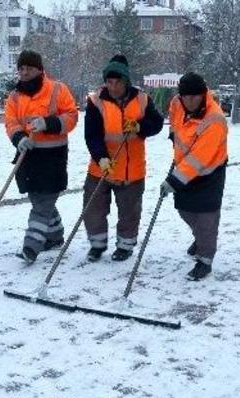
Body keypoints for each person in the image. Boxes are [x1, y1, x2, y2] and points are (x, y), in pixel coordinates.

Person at [83, 54, 164, 262]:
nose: (113, 86)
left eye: (117, 82)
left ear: (126, 81)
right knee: (94, 209)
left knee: (129, 212)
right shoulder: (96, 102)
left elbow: (156, 124)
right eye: (109, 82)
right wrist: (101, 157)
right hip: (101, 167)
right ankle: (97, 245)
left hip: (131, 169)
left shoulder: (142, 99)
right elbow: (91, 134)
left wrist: (139, 127)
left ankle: (125, 246)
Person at [4, 50, 78, 264]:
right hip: (28, 156)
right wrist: (19, 138)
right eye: (21, 68)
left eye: (29, 68)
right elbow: (11, 122)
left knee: (43, 203)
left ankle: (31, 246)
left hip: (53, 157)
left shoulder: (57, 89)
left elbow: (71, 117)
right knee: (38, 199)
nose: (24, 72)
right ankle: (55, 236)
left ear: (39, 69)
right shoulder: (14, 96)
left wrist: (49, 123)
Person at [161, 72, 228, 281]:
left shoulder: (214, 119)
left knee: (206, 217)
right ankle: (200, 238)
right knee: (184, 209)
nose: (189, 101)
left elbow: (200, 158)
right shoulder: (177, 102)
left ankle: (205, 260)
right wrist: (173, 132)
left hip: (209, 172)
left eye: (194, 96)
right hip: (184, 166)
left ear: (203, 94)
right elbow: (173, 114)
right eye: (185, 96)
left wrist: (174, 180)